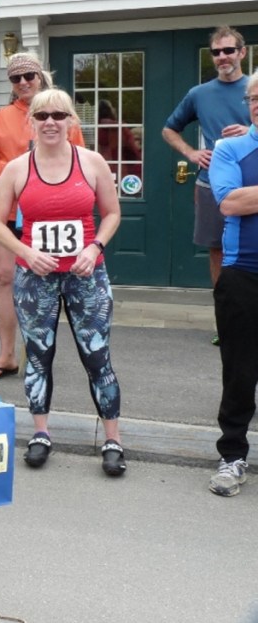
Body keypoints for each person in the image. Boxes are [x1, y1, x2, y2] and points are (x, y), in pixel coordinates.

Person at [0, 88, 126, 476]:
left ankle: (113, 438)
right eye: (42, 115)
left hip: (86, 275)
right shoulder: (17, 169)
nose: (50, 122)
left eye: (59, 115)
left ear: (71, 122)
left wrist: (94, 247)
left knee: (97, 356)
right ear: (30, 123)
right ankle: (41, 433)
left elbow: (112, 213)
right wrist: (27, 254)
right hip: (36, 279)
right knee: (38, 357)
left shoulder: (92, 162)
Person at [0, 53, 86, 380]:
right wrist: (16, 175)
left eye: (29, 76)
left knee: (51, 284)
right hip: (10, 213)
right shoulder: (1, 117)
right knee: (6, 280)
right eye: (16, 78)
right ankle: (7, 354)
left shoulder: (62, 115)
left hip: (51, 217)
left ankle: (40, 352)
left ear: (40, 76)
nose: (23, 82)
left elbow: (79, 159)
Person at [162, 26, 250, 345]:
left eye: (229, 50)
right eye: (216, 52)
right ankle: (225, 321)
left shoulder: (253, 89)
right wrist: (191, 152)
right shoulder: (199, 94)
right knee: (218, 251)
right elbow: (169, 130)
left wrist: (252, 131)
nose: (222, 57)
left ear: (242, 52)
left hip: (251, 187)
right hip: (211, 185)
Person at [206, 69, 258, 497]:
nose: (257, 105)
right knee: (239, 372)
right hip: (243, 274)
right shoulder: (230, 148)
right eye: (254, 99)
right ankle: (232, 457)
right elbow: (230, 202)